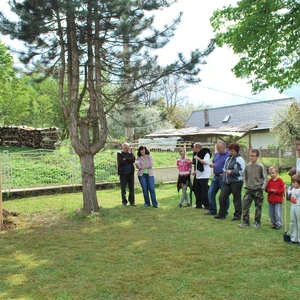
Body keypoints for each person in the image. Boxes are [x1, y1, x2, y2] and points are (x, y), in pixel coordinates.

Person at [215, 142, 245, 220]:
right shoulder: (229, 158)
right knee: (222, 197)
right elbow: (225, 167)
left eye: (232, 151)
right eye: (230, 150)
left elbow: (241, 171)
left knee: (236, 199)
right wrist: (224, 173)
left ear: (236, 151)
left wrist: (231, 172)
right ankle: (222, 214)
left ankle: (237, 216)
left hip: (236, 181)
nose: (231, 152)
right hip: (227, 181)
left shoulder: (239, 159)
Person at [238, 149, 268, 228]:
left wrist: (263, 186)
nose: (251, 157)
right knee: (245, 205)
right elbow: (244, 177)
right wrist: (245, 185)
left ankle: (257, 222)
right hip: (249, 189)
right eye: (250, 156)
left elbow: (265, 178)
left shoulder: (260, 166)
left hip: (258, 189)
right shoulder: (247, 166)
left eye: (253, 156)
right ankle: (246, 222)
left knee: (258, 207)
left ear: (257, 157)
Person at [205, 141, 230, 216]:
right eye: (217, 148)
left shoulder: (229, 155)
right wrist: (212, 164)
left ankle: (224, 211)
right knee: (210, 193)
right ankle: (213, 210)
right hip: (215, 177)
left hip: (223, 177)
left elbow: (231, 165)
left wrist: (225, 173)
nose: (217, 149)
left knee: (224, 195)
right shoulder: (216, 154)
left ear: (224, 147)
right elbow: (214, 162)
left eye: (219, 148)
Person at [191, 142, 211, 209]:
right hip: (198, 175)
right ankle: (198, 204)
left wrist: (198, 158)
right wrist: (196, 171)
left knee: (204, 190)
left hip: (204, 175)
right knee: (196, 189)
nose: (193, 149)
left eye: (194, 147)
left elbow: (206, 162)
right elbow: (198, 165)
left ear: (198, 147)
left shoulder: (206, 153)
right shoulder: (197, 154)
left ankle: (207, 204)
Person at [117, 142, 136, 206]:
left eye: (128, 148)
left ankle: (132, 201)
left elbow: (133, 160)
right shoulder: (119, 154)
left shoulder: (131, 153)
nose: (127, 149)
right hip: (123, 174)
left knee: (131, 188)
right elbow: (121, 161)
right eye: (126, 148)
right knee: (123, 188)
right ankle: (124, 202)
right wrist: (128, 161)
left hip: (130, 173)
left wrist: (126, 159)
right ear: (123, 148)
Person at [287, 173, 300, 245]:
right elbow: (288, 193)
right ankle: (293, 238)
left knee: (299, 223)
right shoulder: (292, 189)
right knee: (292, 221)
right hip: (293, 207)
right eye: (292, 182)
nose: (293, 184)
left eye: (294, 182)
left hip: (299, 207)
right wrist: (285, 189)